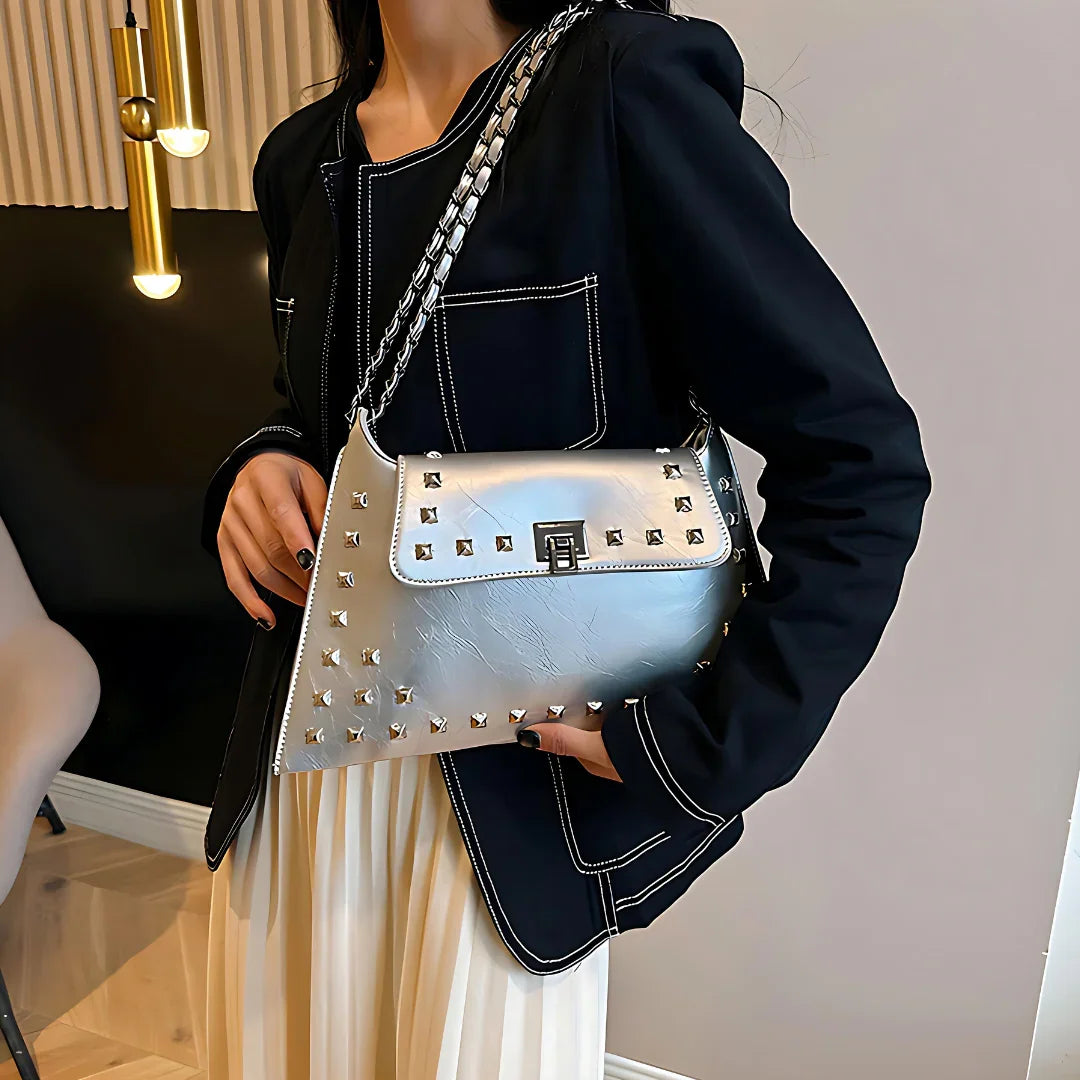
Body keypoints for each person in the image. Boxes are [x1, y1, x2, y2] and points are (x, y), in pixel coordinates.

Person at [201, 1, 932, 1077]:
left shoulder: (619, 91)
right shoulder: (300, 160)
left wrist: (707, 741)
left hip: (501, 817)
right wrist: (261, 463)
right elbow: (328, 413)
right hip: (298, 783)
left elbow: (859, 458)